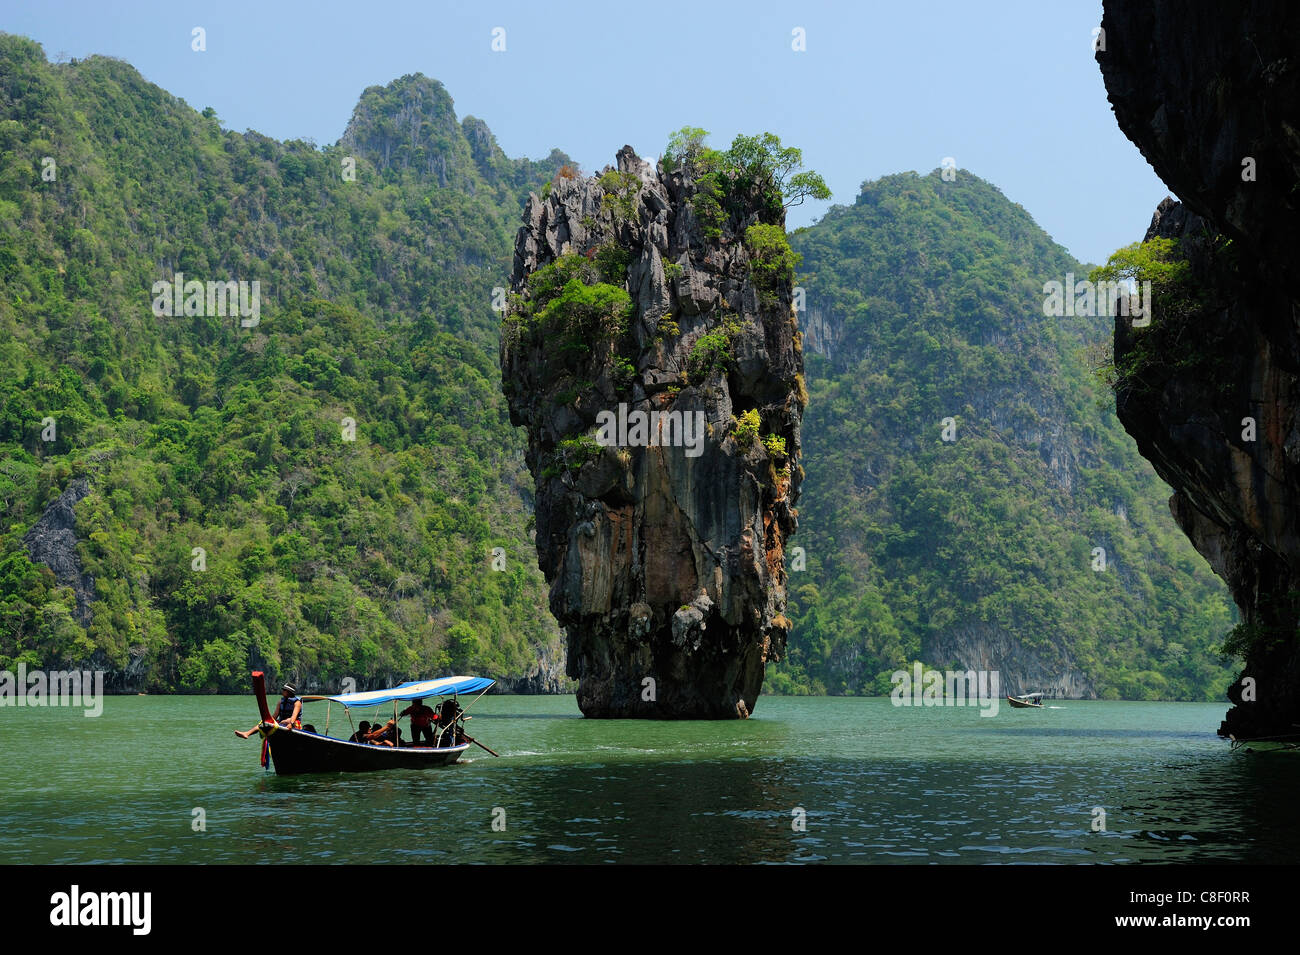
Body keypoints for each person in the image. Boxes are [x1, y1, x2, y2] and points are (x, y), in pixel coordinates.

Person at [235, 684, 302, 738]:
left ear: (289, 692)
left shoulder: (297, 703)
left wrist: (290, 723)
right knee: (265, 723)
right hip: (281, 722)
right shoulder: (280, 701)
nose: (282, 691)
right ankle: (247, 733)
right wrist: (268, 722)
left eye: (284, 690)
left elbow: (294, 716)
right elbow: (275, 716)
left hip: (293, 723)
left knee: (287, 720)